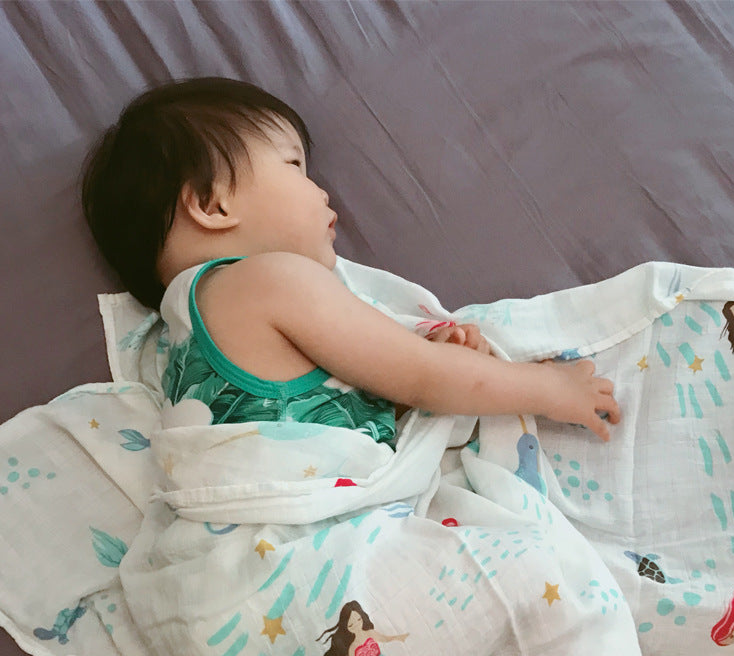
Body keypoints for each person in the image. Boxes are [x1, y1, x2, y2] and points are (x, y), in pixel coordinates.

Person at [82, 77, 620, 442]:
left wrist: (411, 387)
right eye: (294, 166)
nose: (323, 192)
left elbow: (329, 422)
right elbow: (422, 375)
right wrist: (549, 389)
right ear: (212, 204)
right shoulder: (267, 278)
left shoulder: (177, 341)